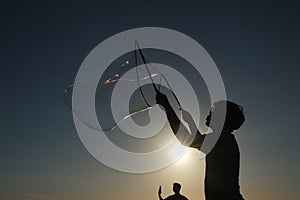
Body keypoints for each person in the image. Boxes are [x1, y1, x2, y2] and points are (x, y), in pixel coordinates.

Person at [156, 91, 245, 200]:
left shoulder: (221, 141)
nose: (210, 113)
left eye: (214, 111)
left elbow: (187, 140)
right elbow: (198, 140)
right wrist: (190, 122)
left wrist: (166, 106)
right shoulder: (224, 140)